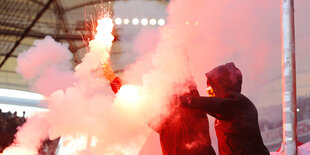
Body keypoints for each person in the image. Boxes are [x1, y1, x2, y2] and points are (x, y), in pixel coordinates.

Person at [101, 63, 216, 155]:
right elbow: (137, 103)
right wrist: (112, 79)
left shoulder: (193, 109)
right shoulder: (164, 122)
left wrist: (179, 57)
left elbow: (188, 86)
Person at [182, 62, 269, 155]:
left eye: (211, 86)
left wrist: (184, 100)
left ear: (222, 84)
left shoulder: (239, 103)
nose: (208, 91)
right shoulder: (222, 114)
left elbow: (217, 104)